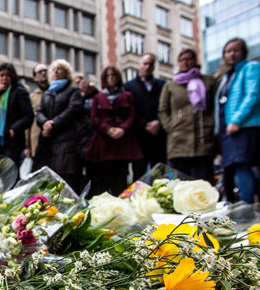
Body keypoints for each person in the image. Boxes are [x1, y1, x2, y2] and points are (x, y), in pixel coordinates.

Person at [215, 37, 260, 205]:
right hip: (229, 129)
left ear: (243, 52)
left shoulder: (251, 68)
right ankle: (239, 206)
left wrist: (237, 120)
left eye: (235, 50)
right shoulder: (228, 76)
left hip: (244, 126)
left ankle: (247, 206)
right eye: (227, 51)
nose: (231, 54)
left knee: (242, 165)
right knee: (233, 168)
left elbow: (253, 95)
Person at [157, 49, 217, 184]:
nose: (185, 62)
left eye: (189, 58)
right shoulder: (170, 85)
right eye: (182, 59)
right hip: (178, 140)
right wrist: (171, 126)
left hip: (202, 138)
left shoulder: (208, 81)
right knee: (179, 182)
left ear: (195, 61)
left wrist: (210, 123)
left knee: (204, 181)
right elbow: (162, 110)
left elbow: (215, 106)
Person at [86, 65, 142, 196]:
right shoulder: (98, 97)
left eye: (113, 75)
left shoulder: (126, 95)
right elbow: (94, 118)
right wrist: (107, 129)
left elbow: (131, 115)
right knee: (103, 180)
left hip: (122, 144)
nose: (110, 78)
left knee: (121, 179)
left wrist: (122, 129)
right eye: (108, 76)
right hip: (103, 143)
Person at [33, 59, 84, 191]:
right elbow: (40, 112)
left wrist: (53, 123)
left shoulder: (73, 91)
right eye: (53, 69)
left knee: (66, 180)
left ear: (66, 72)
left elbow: (73, 109)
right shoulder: (48, 93)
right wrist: (44, 122)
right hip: (48, 143)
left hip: (66, 142)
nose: (55, 71)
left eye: (59, 69)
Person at [124, 53, 166, 179]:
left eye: (150, 64)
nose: (147, 67)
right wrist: (144, 124)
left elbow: (166, 107)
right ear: (139, 65)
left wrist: (158, 122)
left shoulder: (162, 85)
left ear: (154, 66)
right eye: (145, 63)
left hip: (159, 139)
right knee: (138, 176)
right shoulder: (128, 86)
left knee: (160, 176)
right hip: (139, 139)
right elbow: (128, 110)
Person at [0, 63, 33, 167]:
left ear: (13, 77)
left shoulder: (20, 91)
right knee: (2, 173)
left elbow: (29, 116)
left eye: (8, 75)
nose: (4, 78)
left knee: (11, 172)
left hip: (13, 141)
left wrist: (14, 129)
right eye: (1, 75)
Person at [25, 63, 49, 159]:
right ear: (35, 78)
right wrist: (27, 146)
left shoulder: (56, 92)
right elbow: (28, 122)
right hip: (37, 139)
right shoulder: (32, 97)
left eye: (45, 71)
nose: (43, 73)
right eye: (40, 72)